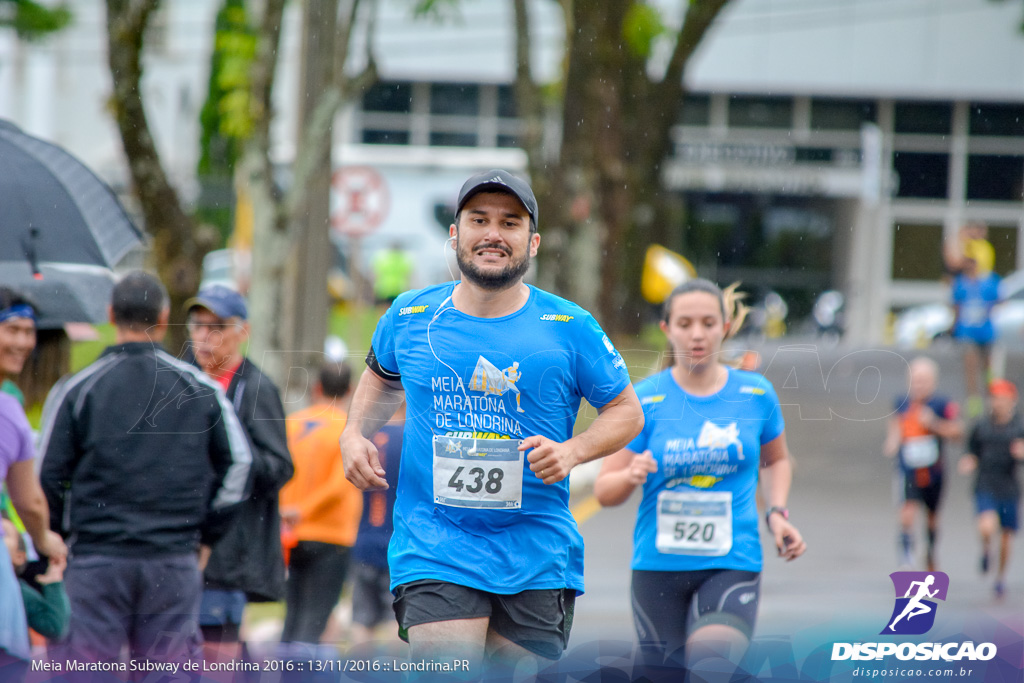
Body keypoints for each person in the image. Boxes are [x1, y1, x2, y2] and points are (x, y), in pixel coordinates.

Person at [340, 169, 643, 676]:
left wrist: (573, 451)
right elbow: (381, 379)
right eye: (478, 219)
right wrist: (353, 434)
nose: (493, 234)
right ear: (455, 234)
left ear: (534, 241)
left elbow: (627, 411)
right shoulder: (411, 315)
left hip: (537, 550)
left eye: (511, 222)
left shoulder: (569, 327)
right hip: (435, 543)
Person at [37, 271, 252, 668]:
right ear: (165, 316)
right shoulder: (200, 388)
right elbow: (239, 465)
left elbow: (46, 476)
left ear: (110, 314)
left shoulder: (78, 388)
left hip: (96, 560)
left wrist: (60, 534)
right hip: (172, 561)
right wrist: (206, 534)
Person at [593, 279, 806, 679]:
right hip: (658, 567)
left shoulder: (755, 393)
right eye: (685, 322)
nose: (696, 333)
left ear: (725, 327)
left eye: (708, 323)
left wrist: (777, 512)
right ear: (666, 328)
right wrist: (630, 475)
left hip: (731, 562)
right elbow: (604, 491)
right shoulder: (643, 399)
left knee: (712, 667)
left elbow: (777, 461)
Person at [185, 284, 293, 663]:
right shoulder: (180, 381)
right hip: (178, 542)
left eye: (216, 326)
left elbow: (280, 467)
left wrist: (230, 457)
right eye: (197, 325)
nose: (203, 336)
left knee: (217, 652)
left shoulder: (257, 387)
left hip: (228, 551)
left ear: (241, 331)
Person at [0, 289, 66, 676]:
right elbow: (31, 501)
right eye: (12, 329)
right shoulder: (7, 408)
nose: (23, 342)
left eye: (29, 331)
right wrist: (44, 540)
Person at [279, 361, 363, 648]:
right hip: (331, 534)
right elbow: (340, 485)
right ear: (350, 390)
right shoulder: (348, 430)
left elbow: (278, 470)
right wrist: (305, 509)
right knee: (313, 621)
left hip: (292, 534)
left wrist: (288, 510)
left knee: (291, 617)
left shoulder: (292, 423)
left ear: (316, 388)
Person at [882, 357, 963, 570]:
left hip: (934, 470)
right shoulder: (901, 402)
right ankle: (906, 555)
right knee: (906, 512)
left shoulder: (943, 404)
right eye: (915, 380)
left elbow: (957, 432)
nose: (919, 385)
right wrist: (892, 441)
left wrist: (933, 424)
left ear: (933, 381)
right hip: (908, 468)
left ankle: (930, 550)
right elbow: (895, 426)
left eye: (924, 380)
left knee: (932, 518)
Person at [958, 378, 1024, 599]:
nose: (997, 403)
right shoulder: (982, 426)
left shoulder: (1019, 427)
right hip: (985, 482)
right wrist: (969, 460)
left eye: (1002, 399)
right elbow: (971, 449)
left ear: (1012, 401)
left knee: (1006, 535)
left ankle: (1000, 578)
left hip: (1008, 485)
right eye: (994, 398)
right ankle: (987, 549)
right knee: (987, 526)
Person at [349, 404, 404, 646]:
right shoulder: (411, 437)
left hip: (364, 539)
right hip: (398, 542)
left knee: (362, 620)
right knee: (398, 619)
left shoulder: (363, 440)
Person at [3, 516, 69, 643]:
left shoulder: (17, 591)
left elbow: (53, 625)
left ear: (19, 556)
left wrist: (53, 581)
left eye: (3, 533)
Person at [950, 256, 1001, 418]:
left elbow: (998, 300)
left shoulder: (987, 283)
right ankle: (974, 400)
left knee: (987, 366)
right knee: (970, 365)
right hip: (967, 332)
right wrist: (954, 326)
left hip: (985, 332)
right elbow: (956, 306)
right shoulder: (960, 284)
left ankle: (992, 396)